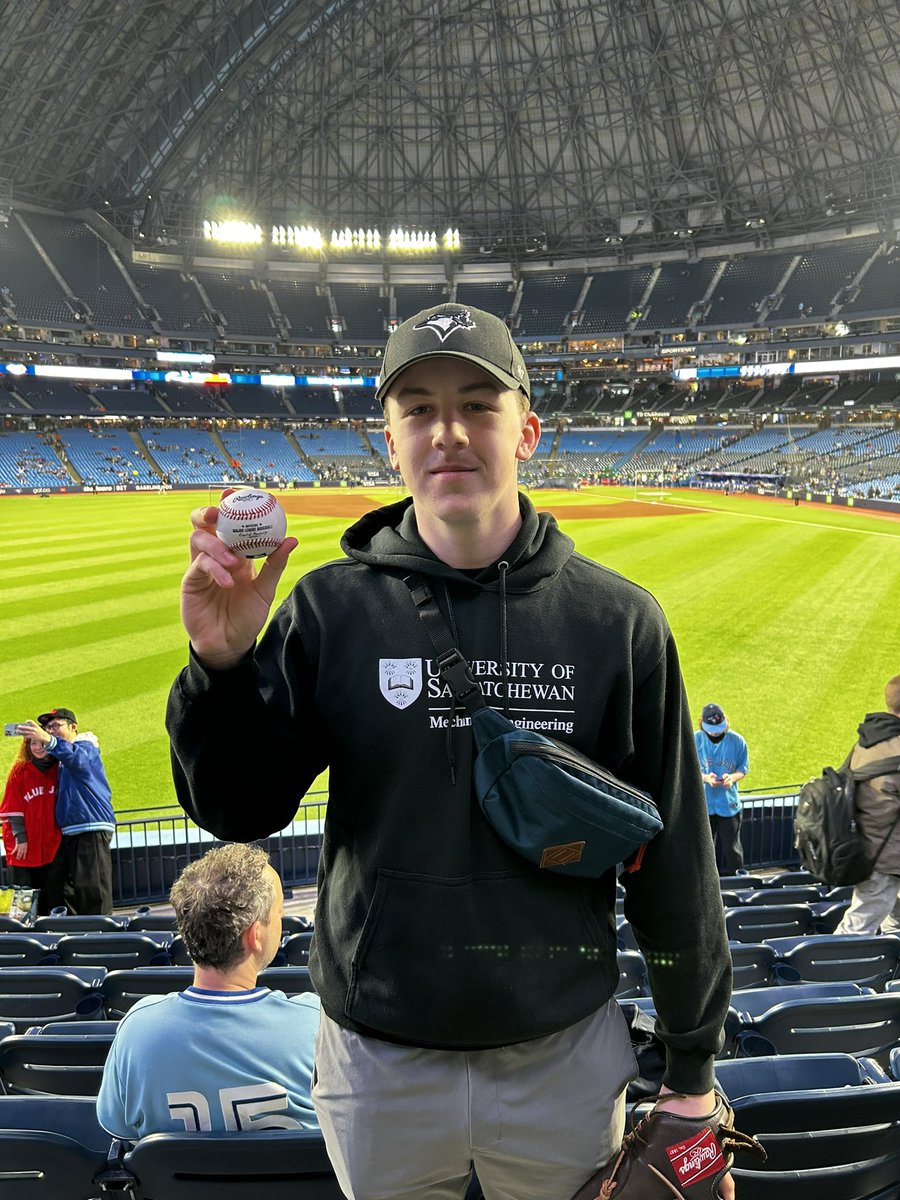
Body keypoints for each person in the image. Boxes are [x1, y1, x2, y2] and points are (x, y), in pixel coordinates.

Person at [166, 304, 733, 1200]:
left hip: (564, 1057)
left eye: (478, 404)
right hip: (377, 1059)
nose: (449, 432)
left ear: (529, 431)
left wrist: (693, 1070)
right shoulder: (329, 610)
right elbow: (240, 809)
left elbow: (675, 868)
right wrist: (221, 664)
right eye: (420, 410)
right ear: (390, 440)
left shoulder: (619, 622)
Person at [96, 842, 320, 1140]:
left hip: (174, 1189)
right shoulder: (314, 1024)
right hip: (299, 1188)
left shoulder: (137, 1031)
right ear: (255, 935)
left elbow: (119, 1131)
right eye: (278, 913)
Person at [16, 708, 115, 915]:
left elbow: (77, 759)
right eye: (48, 728)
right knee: (63, 886)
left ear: (73, 727)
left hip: (90, 826)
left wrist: (49, 741)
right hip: (70, 832)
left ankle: (102, 940)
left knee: (93, 889)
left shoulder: (86, 745)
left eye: (56, 726)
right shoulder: (61, 756)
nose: (51, 731)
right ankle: (78, 934)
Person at [836, 675, 900, 936]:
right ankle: (828, 972)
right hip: (886, 858)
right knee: (856, 930)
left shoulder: (867, 741)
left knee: (891, 921)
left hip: (869, 850)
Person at [0, 733, 65, 914]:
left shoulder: (58, 770)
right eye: (33, 743)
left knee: (53, 897)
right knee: (24, 902)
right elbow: (11, 808)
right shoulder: (19, 771)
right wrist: (21, 838)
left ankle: (54, 934)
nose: (37, 747)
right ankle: (24, 936)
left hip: (50, 845)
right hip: (23, 848)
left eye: (42, 742)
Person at [695, 703, 749, 875]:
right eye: (711, 729)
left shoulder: (738, 741)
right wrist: (704, 778)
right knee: (704, 848)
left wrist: (732, 778)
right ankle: (705, 881)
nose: (715, 732)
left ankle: (740, 880)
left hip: (729, 804)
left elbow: (743, 768)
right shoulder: (695, 739)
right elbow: (688, 768)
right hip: (704, 804)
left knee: (732, 848)